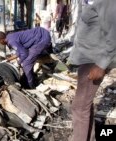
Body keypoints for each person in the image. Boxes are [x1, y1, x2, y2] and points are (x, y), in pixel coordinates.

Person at [68, 0, 116, 141]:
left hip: (93, 61)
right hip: (86, 59)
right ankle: (90, 137)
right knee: (84, 106)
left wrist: (101, 65)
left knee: (79, 108)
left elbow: (114, 34)